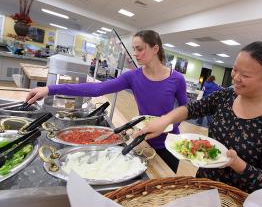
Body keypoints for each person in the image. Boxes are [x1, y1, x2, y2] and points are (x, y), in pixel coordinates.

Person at [133, 41, 262, 193]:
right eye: (234, 69)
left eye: (246, 75)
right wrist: (164, 121)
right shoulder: (227, 96)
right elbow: (192, 108)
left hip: (237, 199)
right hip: (203, 187)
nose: (236, 78)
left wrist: (238, 164)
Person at [25, 30, 187, 173]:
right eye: (133, 49)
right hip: (143, 141)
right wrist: (50, 89)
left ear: (155, 49)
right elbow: (96, 89)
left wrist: (168, 125)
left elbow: (185, 109)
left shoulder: (177, 79)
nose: (135, 53)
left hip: (170, 145)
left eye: (139, 49)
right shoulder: (132, 76)